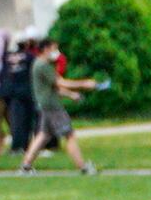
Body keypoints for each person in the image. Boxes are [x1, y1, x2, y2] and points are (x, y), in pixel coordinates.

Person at [20, 41, 96, 175]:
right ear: (45, 49)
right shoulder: (43, 65)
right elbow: (61, 82)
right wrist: (84, 83)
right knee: (69, 135)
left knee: (43, 135)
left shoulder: (40, 64)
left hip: (45, 105)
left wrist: (71, 94)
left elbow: (54, 87)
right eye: (54, 49)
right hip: (53, 106)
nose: (57, 52)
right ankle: (83, 167)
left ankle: (26, 166)